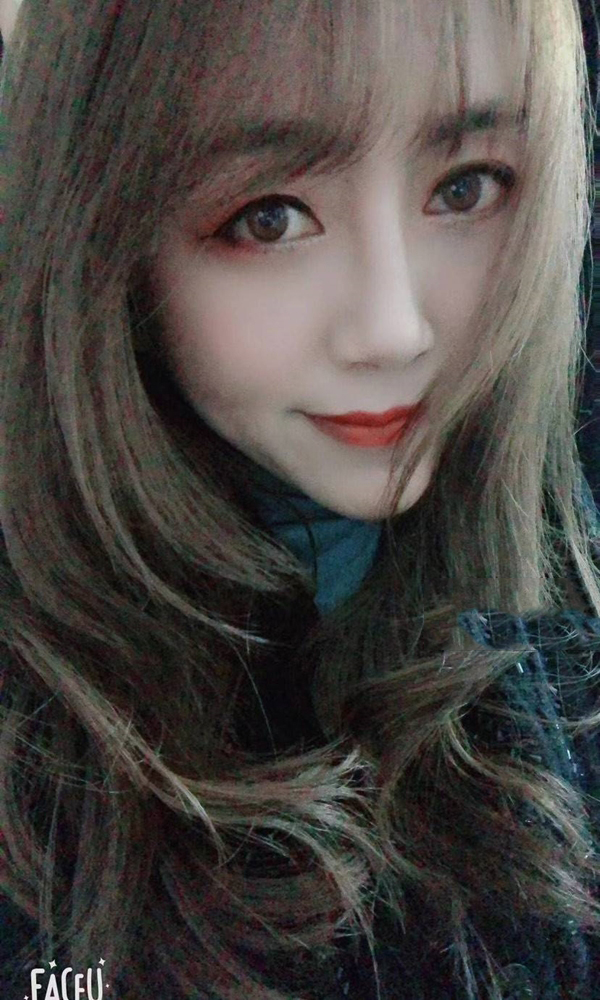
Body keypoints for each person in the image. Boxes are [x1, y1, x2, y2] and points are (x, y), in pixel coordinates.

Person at [0, 1, 599, 998]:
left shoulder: (557, 577)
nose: (395, 328)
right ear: (107, 242)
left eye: (465, 187)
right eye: (269, 217)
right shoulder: (42, 776)